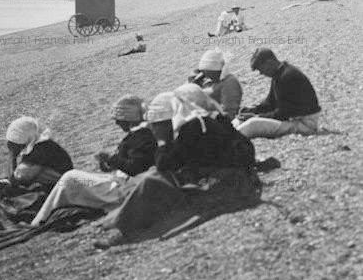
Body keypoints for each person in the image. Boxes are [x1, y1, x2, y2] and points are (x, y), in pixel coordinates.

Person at [97, 85, 257, 246]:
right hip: (234, 178)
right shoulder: (206, 122)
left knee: (152, 181)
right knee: (153, 179)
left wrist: (162, 141)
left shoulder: (193, 128)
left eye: (160, 124)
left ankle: (126, 231)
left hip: (222, 184)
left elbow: (164, 165)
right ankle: (123, 223)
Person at [31, 95, 156, 226]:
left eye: (120, 120)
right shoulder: (139, 135)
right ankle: (44, 215)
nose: (117, 123)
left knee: (70, 178)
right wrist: (107, 163)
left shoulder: (143, 138)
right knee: (71, 178)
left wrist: (111, 159)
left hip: (123, 189)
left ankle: (40, 220)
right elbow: (130, 165)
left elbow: (135, 168)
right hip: (120, 182)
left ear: (129, 119)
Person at [0, 116, 73, 238]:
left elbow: (15, 179)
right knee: (0, 190)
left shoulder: (39, 152)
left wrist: (12, 155)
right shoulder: (43, 145)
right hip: (53, 188)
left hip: (55, 191)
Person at [236, 48, 321, 139]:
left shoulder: (288, 76)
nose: (261, 73)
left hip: (305, 124)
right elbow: (270, 103)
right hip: (294, 119)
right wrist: (251, 110)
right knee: (240, 120)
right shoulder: (280, 74)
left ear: (269, 63)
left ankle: (229, 140)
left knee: (253, 124)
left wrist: (257, 116)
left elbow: (284, 113)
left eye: (261, 69)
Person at [188, 49, 242, 119]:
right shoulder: (207, 81)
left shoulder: (229, 83)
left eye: (206, 72)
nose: (204, 74)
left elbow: (230, 113)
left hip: (219, 122)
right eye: (203, 72)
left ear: (213, 70)